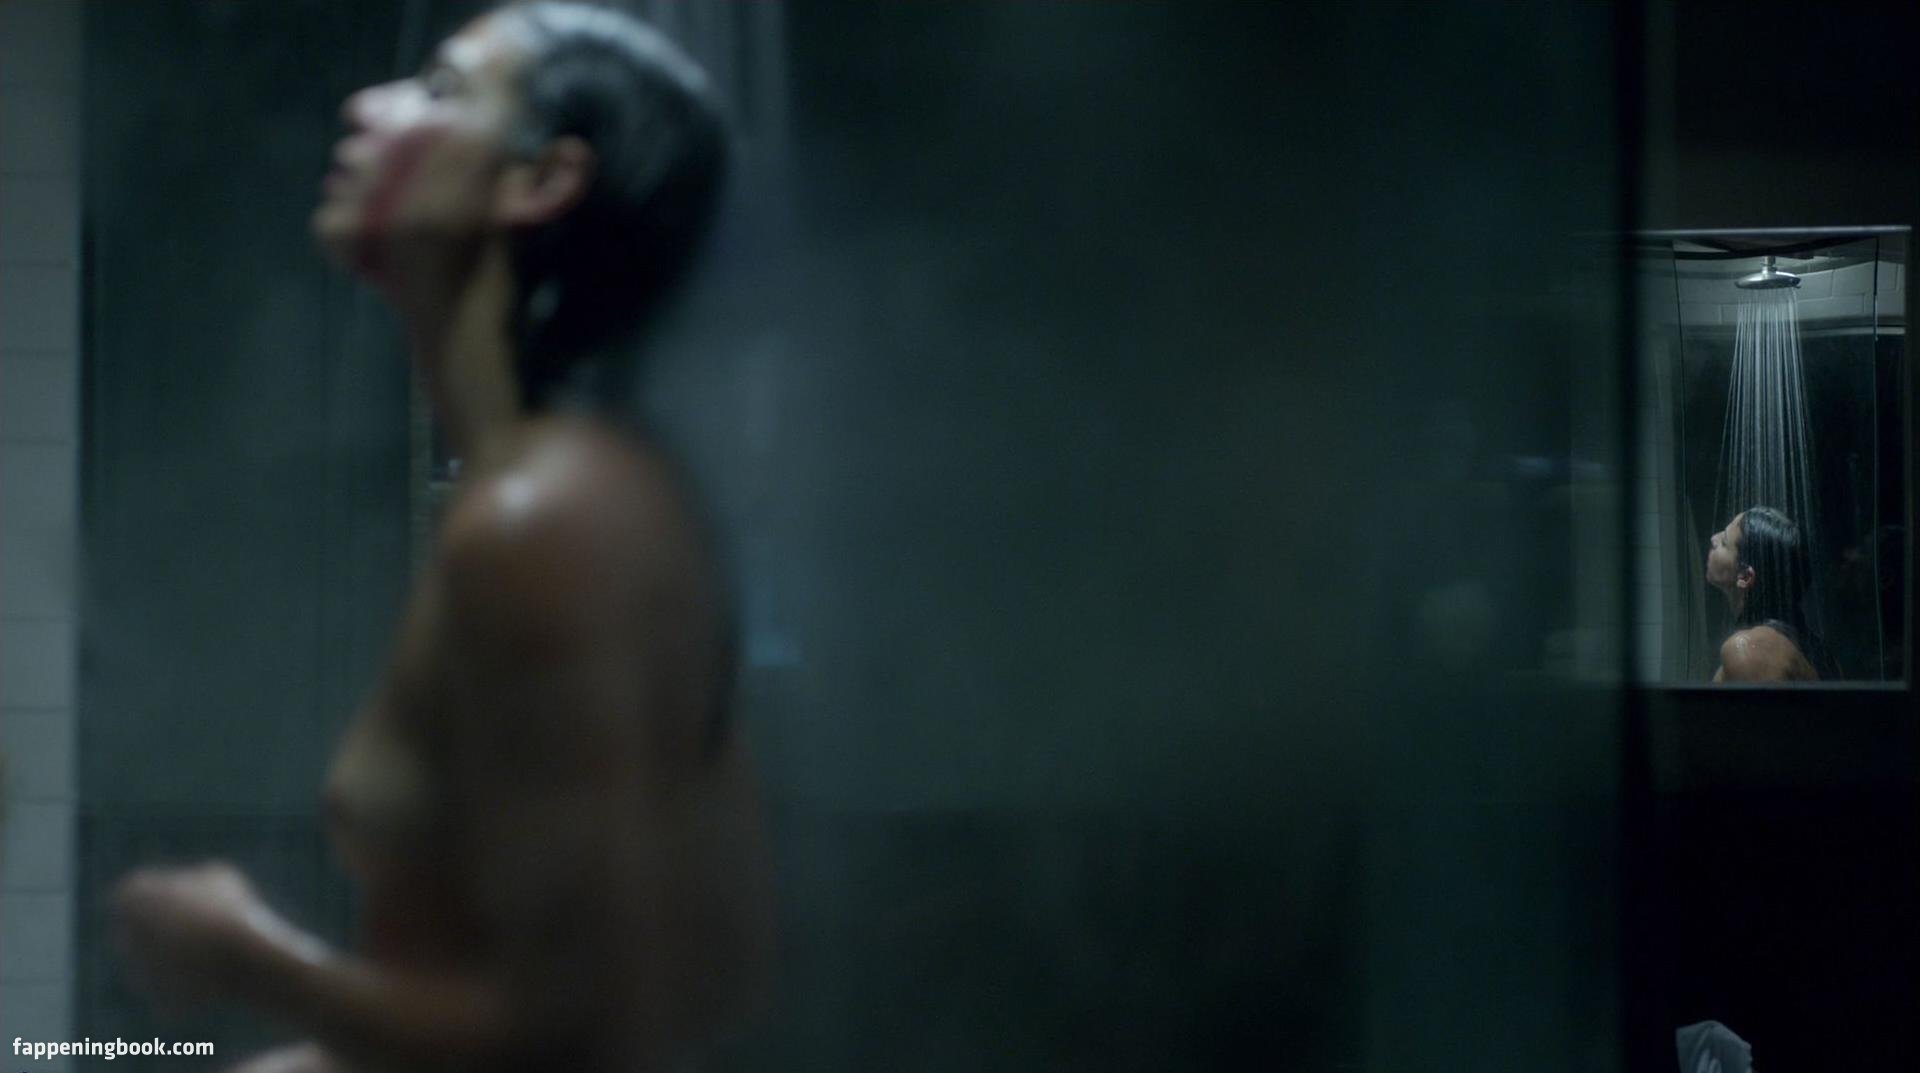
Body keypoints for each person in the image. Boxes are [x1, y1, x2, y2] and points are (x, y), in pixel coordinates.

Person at [110, 5, 773, 1071]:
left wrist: (247, 953)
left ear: (539, 181)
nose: (364, 106)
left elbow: (587, 1032)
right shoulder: (592, 495)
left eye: (441, 90)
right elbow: (717, 965)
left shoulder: (544, 525)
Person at [1705, 506, 1822, 682]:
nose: (1713, 538)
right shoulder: (1816, 651)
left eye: (1724, 542)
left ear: (1745, 576)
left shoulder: (1747, 652)